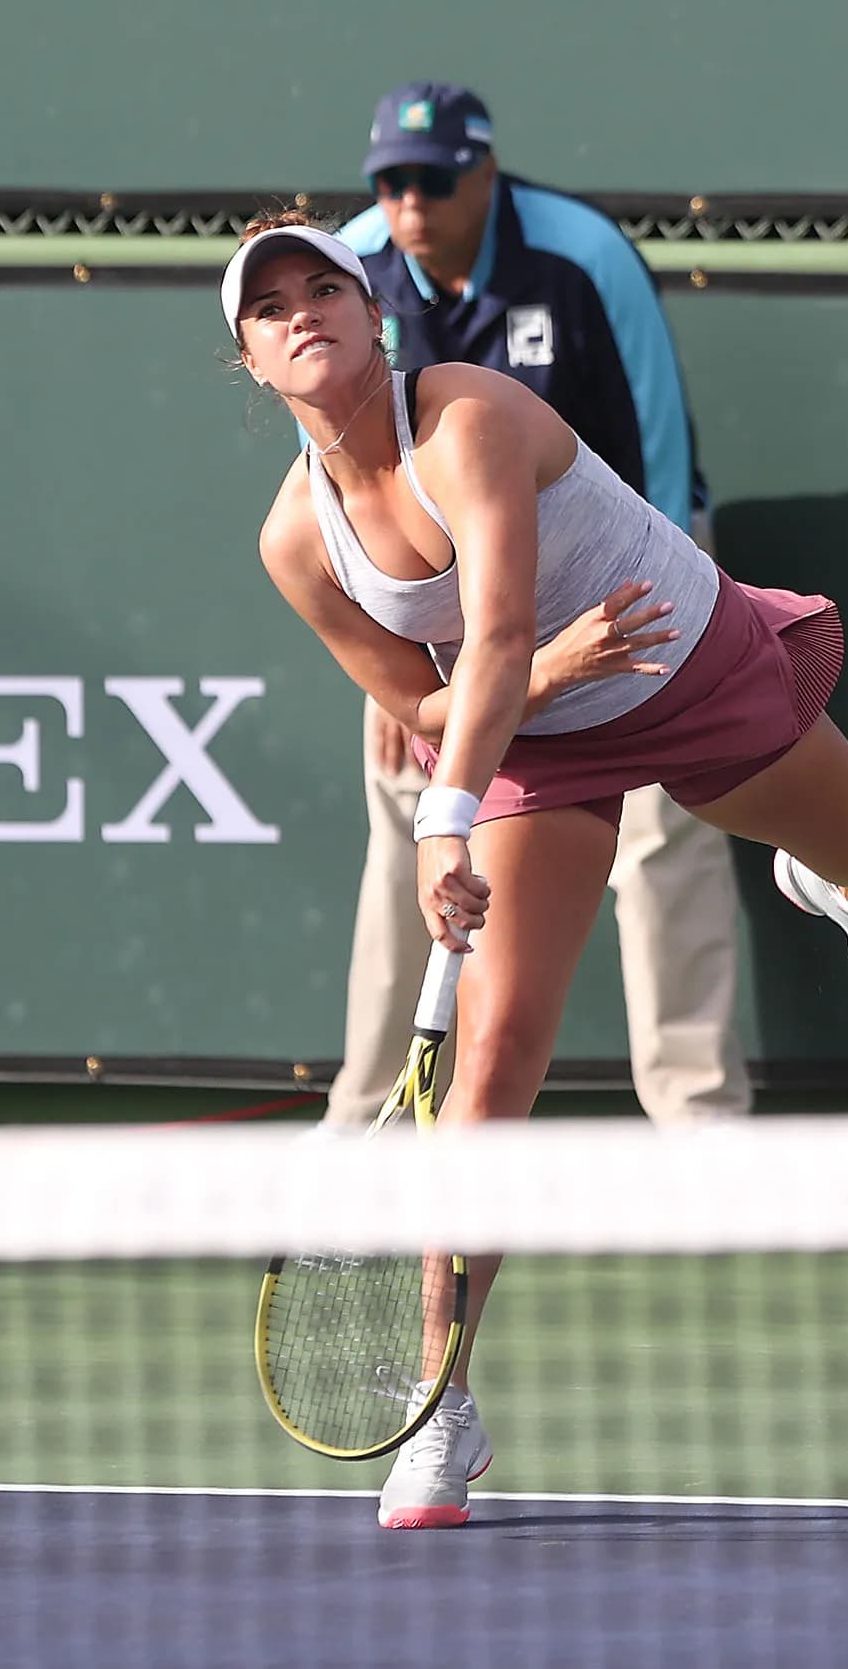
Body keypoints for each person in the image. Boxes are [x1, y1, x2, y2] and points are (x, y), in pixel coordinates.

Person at [224, 213, 848, 1529]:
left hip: (680, 660)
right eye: (270, 307)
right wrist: (465, 801)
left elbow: (502, 631)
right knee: (497, 1049)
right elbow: (415, 699)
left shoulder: (470, 416)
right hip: (535, 753)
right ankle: (441, 1392)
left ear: (373, 313)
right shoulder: (297, 544)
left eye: (322, 287)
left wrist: (450, 810)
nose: (302, 313)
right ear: (253, 365)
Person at [323, 80, 750, 1127]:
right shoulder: (350, 268)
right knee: (409, 826)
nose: (408, 203)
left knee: (665, 832)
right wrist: (393, 669)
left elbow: (658, 451)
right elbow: (337, 479)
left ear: (484, 171)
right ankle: (365, 1118)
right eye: (389, 182)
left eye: (430, 180)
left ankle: (699, 1125)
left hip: (624, 579)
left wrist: (650, 622)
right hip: (444, 610)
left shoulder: (583, 256)